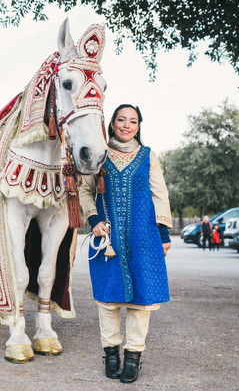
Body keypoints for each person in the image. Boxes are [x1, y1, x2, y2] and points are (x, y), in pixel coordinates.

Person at [79, 104, 172, 384]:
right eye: (122, 120)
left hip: (143, 237)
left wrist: (164, 234)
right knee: (108, 300)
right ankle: (111, 355)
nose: (127, 125)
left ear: (139, 125)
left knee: (141, 302)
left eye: (133, 121)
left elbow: (160, 194)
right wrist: (93, 218)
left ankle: (133, 358)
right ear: (112, 123)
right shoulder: (98, 153)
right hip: (106, 238)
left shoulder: (147, 156)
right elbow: (85, 190)